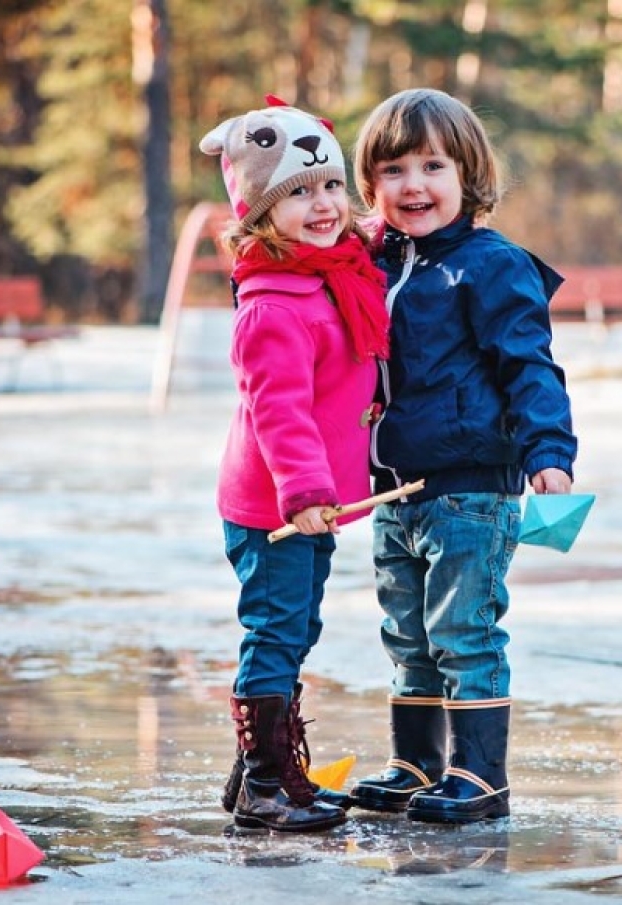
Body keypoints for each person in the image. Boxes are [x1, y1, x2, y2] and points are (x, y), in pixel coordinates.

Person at [346, 88, 578, 824]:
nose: (413, 185)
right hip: (396, 490)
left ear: (467, 174)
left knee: (462, 630)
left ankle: (479, 775)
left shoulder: (489, 265)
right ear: (371, 184)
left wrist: (549, 449)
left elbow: (530, 364)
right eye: (393, 170)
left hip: (472, 490)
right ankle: (416, 762)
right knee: (407, 632)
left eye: (431, 166)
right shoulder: (377, 265)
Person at [198, 97, 390, 833]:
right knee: (276, 630)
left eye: (332, 187)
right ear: (259, 211)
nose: (323, 204)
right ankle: (265, 785)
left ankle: (266, 770)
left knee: (296, 626)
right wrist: (304, 490)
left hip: (316, 501)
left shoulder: (334, 271)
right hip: (275, 505)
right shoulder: (273, 303)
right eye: (299, 192)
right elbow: (279, 410)